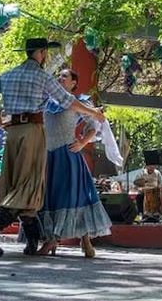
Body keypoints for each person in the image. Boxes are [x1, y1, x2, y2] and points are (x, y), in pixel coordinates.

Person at [0, 38, 105, 257]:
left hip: (13, 133)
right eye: (45, 52)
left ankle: (32, 241)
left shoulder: (9, 74)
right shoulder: (42, 77)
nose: (46, 56)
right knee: (30, 186)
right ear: (41, 52)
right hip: (33, 133)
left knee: (15, 183)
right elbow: (68, 101)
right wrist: (94, 112)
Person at [38, 69, 112, 257]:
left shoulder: (81, 101)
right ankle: (51, 238)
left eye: (65, 76)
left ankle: (83, 239)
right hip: (48, 156)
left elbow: (94, 126)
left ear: (73, 83)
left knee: (74, 197)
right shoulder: (47, 102)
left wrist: (82, 142)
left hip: (68, 156)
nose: (60, 78)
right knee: (50, 197)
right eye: (59, 76)